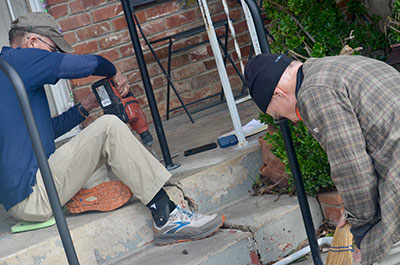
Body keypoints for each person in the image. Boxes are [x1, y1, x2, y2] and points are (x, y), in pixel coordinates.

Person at [0, 12, 224, 246]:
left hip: (23, 196)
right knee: (109, 127)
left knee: (94, 153)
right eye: (54, 49)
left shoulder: (8, 72)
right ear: (32, 42)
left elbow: (45, 131)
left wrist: (86, 105)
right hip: (33, 194)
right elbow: (86, 64)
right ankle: (167, 216)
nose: (54, 56)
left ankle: (90, 191)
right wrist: (113, 70)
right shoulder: (20, 60)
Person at [245, 53, 400, 265]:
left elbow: (352, 169)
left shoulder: (314, 93)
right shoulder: (334, 67)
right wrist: (353, 213)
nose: (291, 120)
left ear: (278, 94)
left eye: (277, 115)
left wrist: (364, 232)